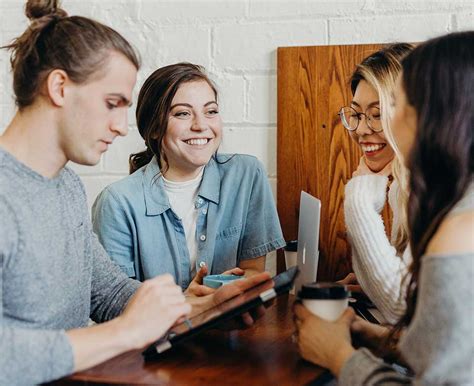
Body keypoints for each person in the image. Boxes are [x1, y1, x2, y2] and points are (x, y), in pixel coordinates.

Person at [0, 2, 270, 384]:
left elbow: (108, 293)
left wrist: (200, 307)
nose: (121, 126)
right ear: (59, 87)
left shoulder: (66, 186)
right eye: (112, 104)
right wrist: (126, 332)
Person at [295, 31, 474, 384]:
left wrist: (339, 356)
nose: (366, 129)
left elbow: (400, 309)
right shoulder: (452, 200)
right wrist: (379, 340)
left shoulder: (459, 227)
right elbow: (449, 349)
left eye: (398, 104)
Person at [92, 62, 285, 296]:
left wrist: (222, 292)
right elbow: (116, 301)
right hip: (159, 332)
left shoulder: (246, 175)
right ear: (154, 128)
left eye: (211, 111)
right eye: (182, 113)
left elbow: (253, 272)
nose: (201, 125)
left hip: (231, 326)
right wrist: (188, 303)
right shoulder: (117, 202)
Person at [338, 43, 414, 324]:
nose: (360, 129)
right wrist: (371, 284)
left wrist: (359, 196)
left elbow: (401, 309)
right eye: (356, 114)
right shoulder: (401, 186)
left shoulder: (438, 189)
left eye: (377, 113)